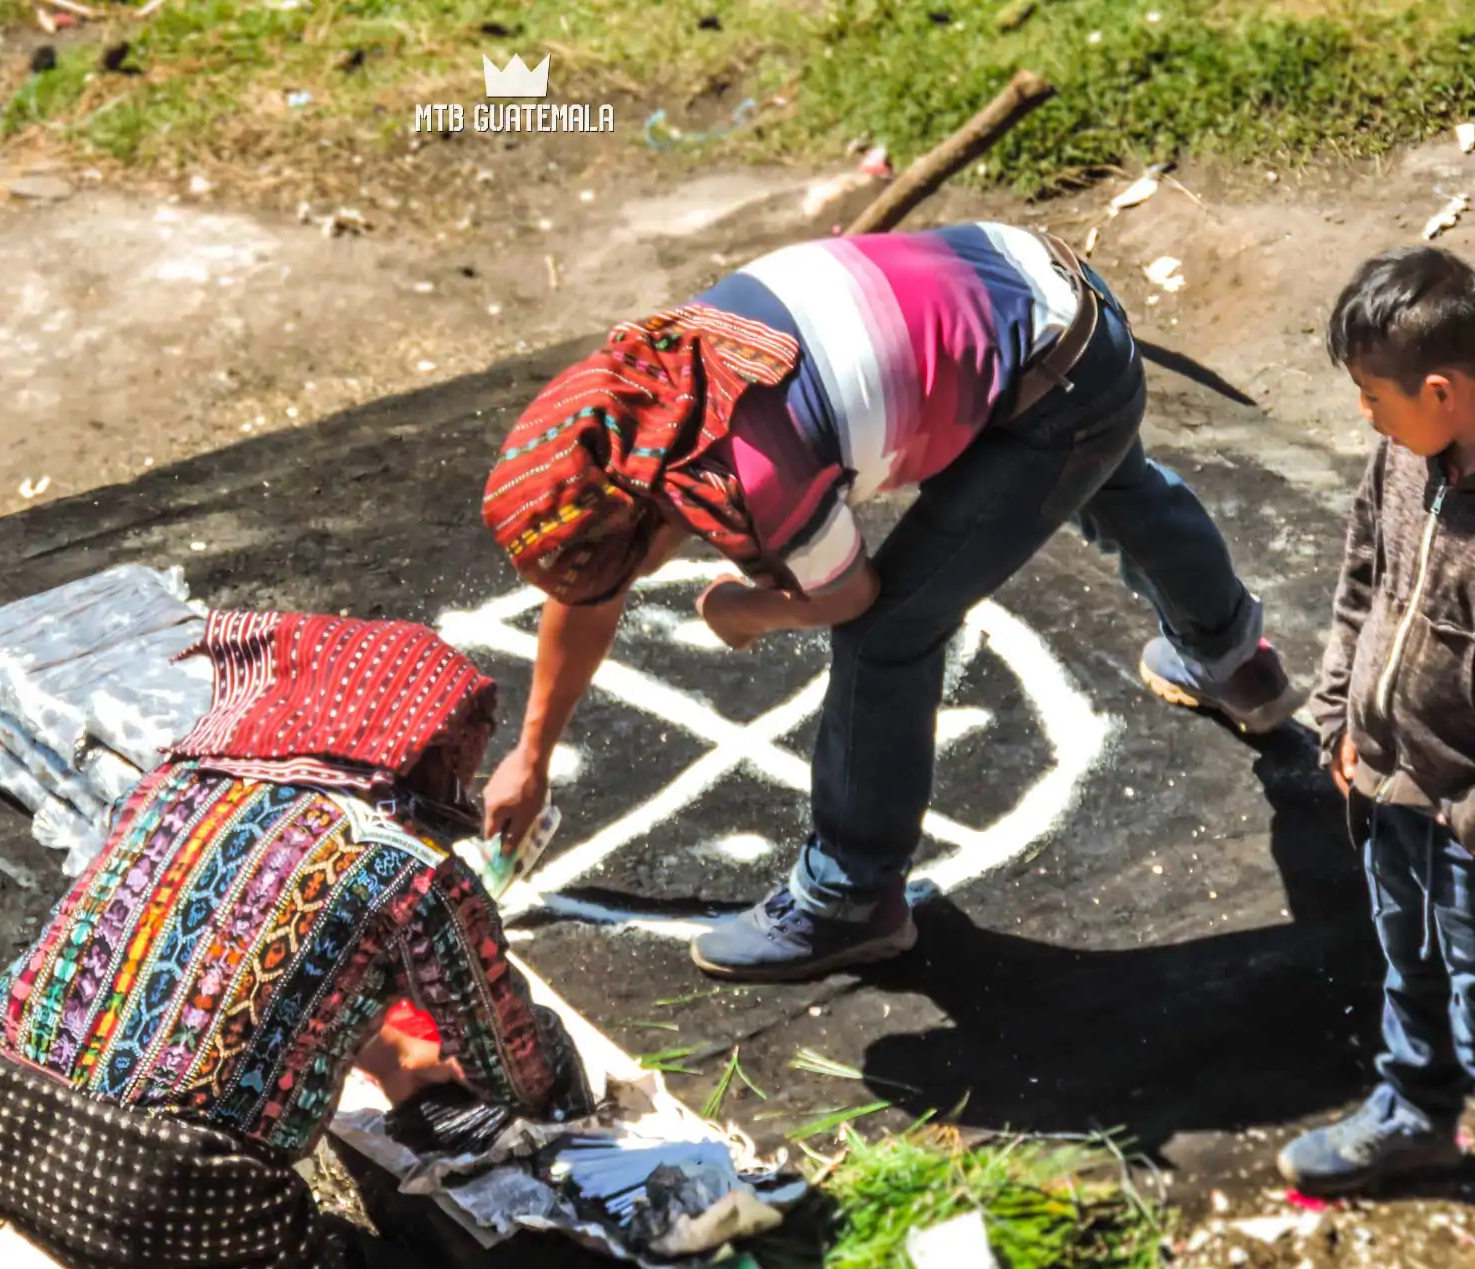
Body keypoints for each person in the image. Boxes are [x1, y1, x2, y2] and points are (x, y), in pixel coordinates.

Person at [479, 222, 1302, 982]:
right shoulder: (639, 394)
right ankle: (1230, 661)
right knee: (1109, 478)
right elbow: (591, 585)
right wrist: (533, 756)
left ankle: (850, 898)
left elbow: (849, 597)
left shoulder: (753, 476)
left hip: (1059, 384)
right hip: (1045, 294)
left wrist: (749, 609)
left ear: (645, 521)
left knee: (890, 632)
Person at [0, 609, 592, 1269]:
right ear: (431, 747)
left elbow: (208, 966)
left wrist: (381, 1045)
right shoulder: (412, 869)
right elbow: (513, 1064)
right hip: (156, 1189)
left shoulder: (175, 786)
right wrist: (545, 1095)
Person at [1280, 246, 1475, 1194]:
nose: (1365, 414)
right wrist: (1335, 716)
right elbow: (1364, 577)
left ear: (1440, 390)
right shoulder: (1406, 453)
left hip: (1466, 825)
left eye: (1371, 394)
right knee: (1411, 972)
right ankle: (1414, 1118)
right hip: (1388, 789)